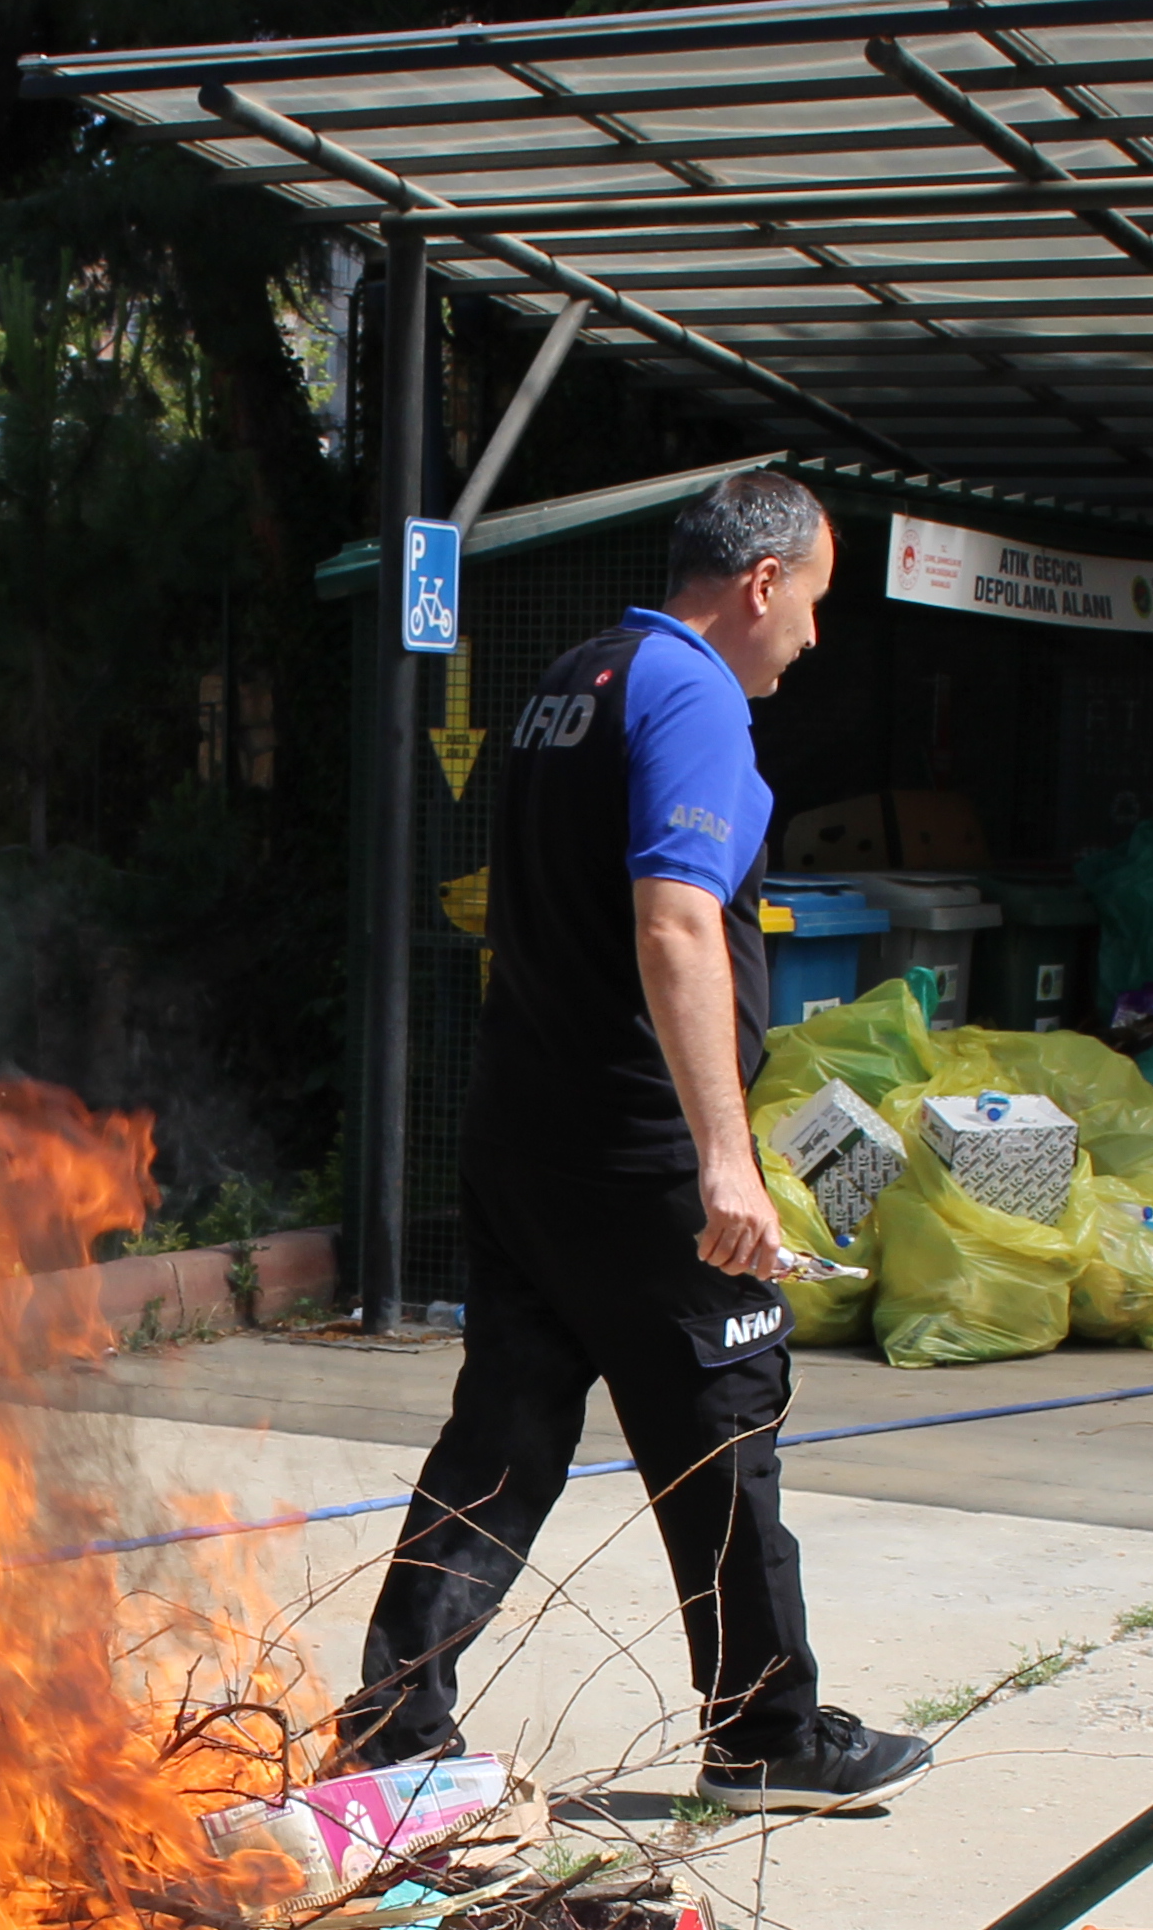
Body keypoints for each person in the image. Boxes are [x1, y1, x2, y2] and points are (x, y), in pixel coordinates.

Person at [336, 471, 929, 1799]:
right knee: (725, 1421)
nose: (814, 639)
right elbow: (673, 923)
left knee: (503, 1435)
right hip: (634, 1146)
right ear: (762, 583)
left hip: (522, 1133)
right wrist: (726, 1157)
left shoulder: (575, 680)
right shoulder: (693, 694)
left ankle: (390, 1726)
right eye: (815, 604)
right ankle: (767, 1737)